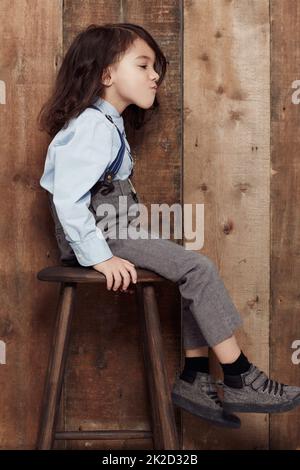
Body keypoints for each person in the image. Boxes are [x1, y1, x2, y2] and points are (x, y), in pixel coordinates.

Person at [38, 23, 300, 429]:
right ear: (106, 75)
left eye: (155, 67)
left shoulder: (108, 124)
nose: (155, 75)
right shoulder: (90, 125)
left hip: (115, 230)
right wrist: (102, 258)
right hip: (103, 235)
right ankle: (239, 374)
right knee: (198, 268)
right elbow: (68, 199)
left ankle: (195, 376)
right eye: (143, 65)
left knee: (188, 269)